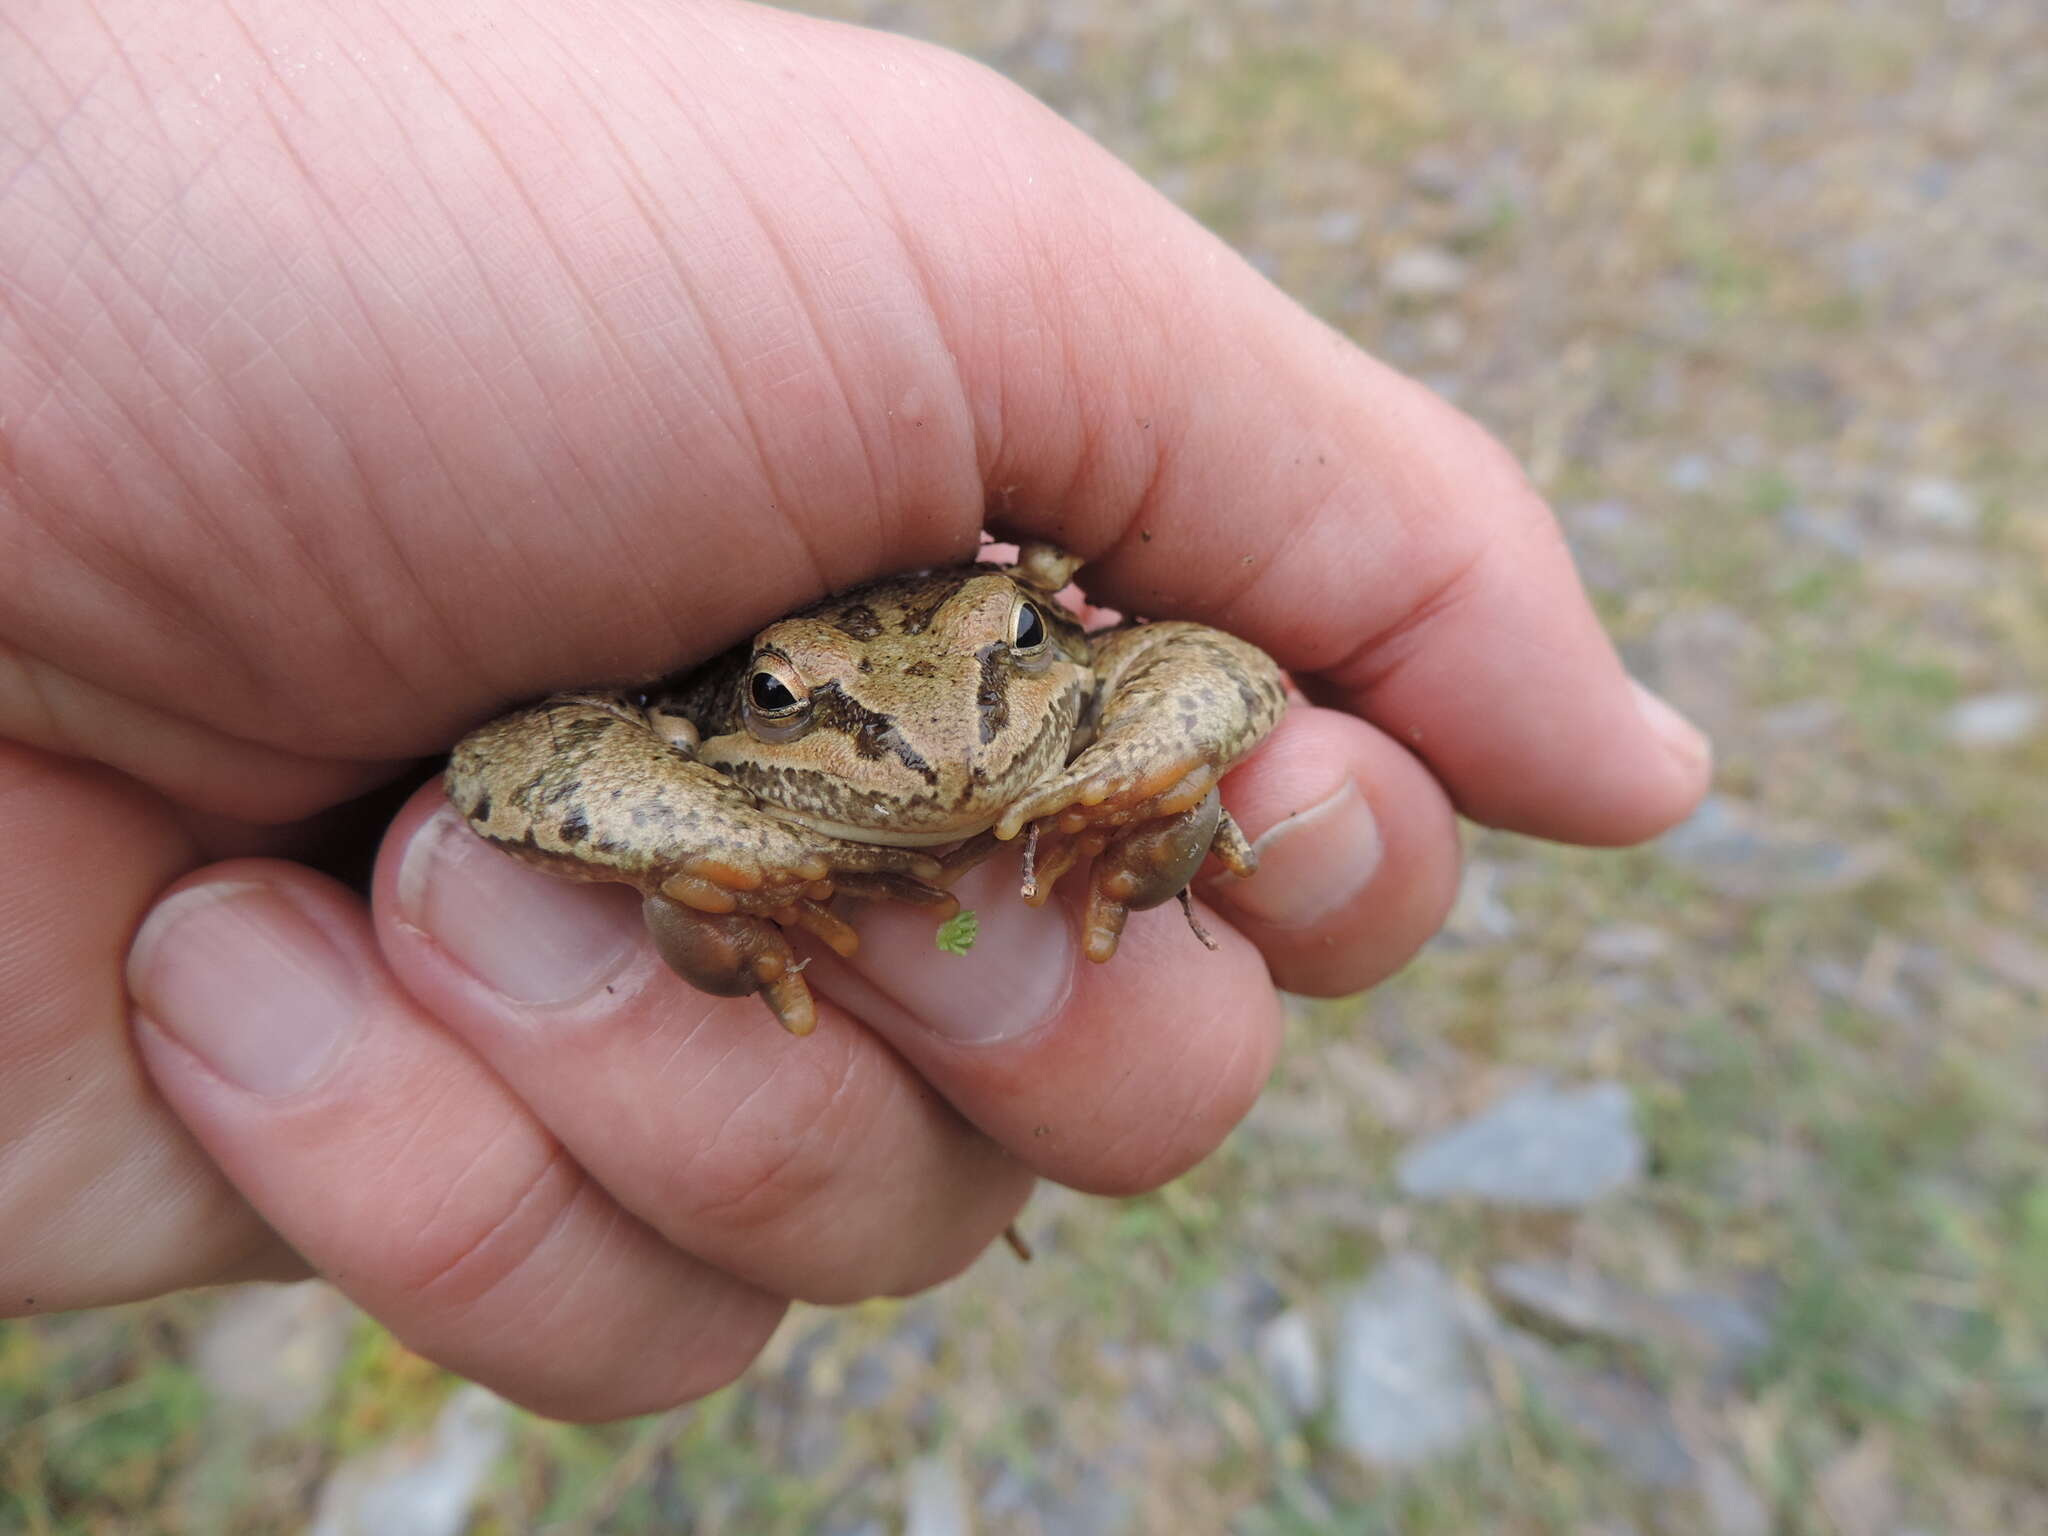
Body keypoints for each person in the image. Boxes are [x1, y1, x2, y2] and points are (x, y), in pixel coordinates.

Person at [0, 0, 1710, 1420]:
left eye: (1002, 666)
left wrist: (1129, 766)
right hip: (679, 759)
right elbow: (506, 759)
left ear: (1032, 639)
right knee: (963, 962)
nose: (942, 745)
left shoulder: (1062, 680)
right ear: (746, 708)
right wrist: (722, 833)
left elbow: (1207, 669)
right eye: (796, 705)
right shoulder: (701, 731)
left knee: (1052, 923)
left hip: (945, 778)